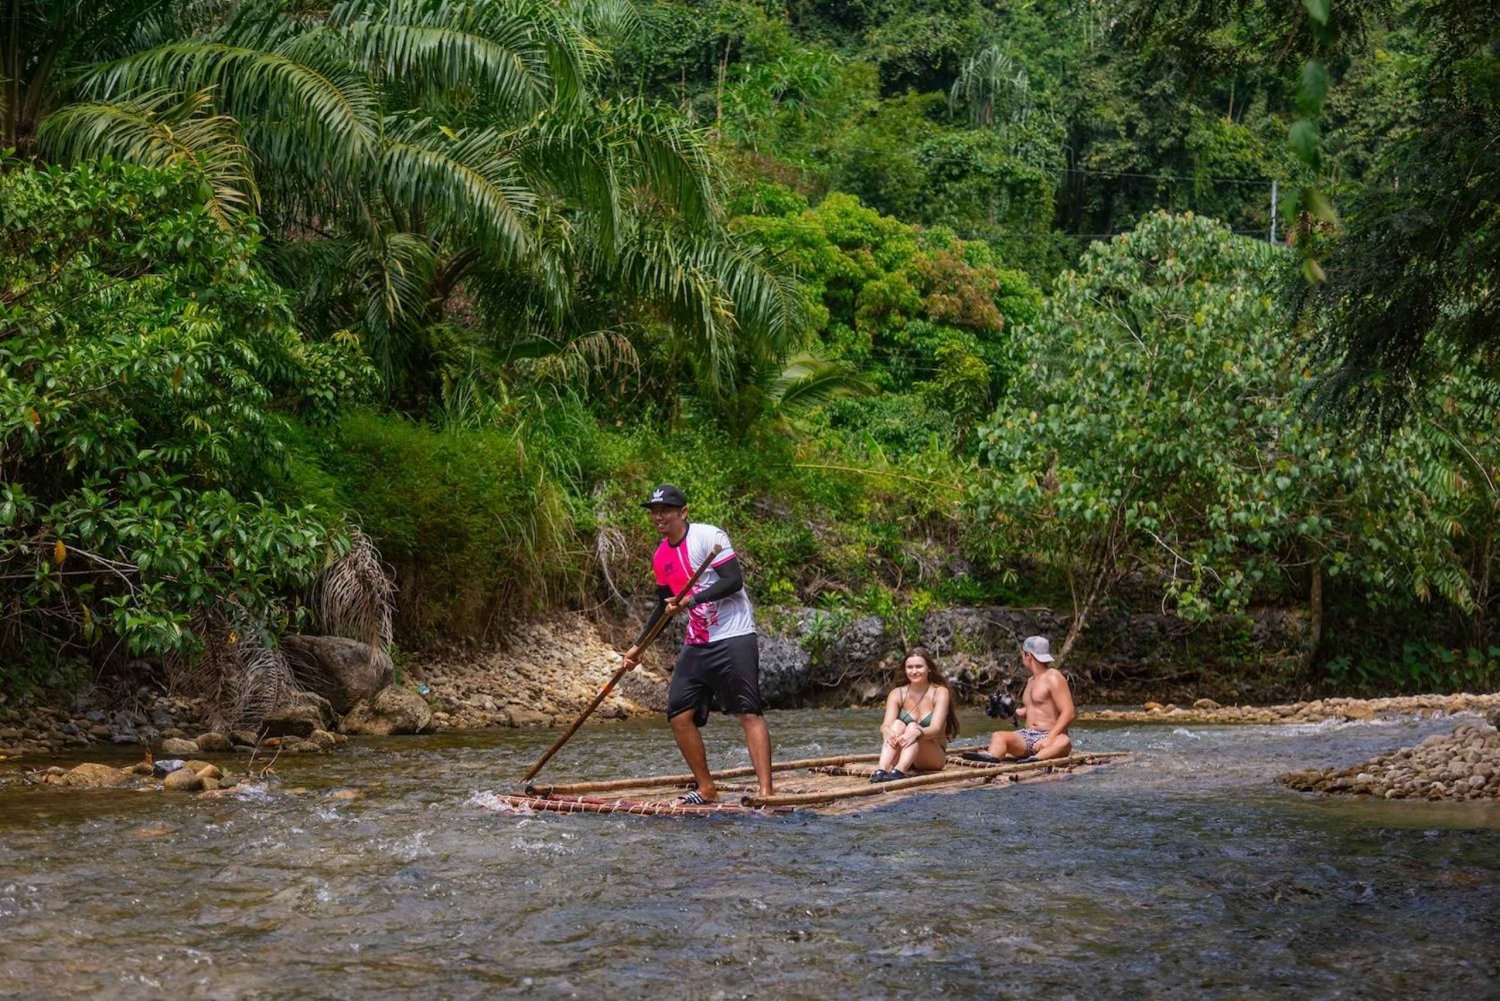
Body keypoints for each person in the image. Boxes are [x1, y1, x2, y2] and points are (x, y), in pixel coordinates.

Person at [621, 484, 773, 803]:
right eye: (654, 511)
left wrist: (692, 600)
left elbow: (733, 581)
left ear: (683, 512)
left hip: (733, 634)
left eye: (665, 511)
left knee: (748, 712)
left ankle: (766, 792)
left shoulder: (708, 536)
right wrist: (639, 646)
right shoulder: (661, 556)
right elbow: (665, 606)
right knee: (678, 713)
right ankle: (706, 787)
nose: (658, 517)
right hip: (699, 639)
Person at [965, 635, 1074, 763]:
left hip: (1050, 736)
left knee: (1064, 741)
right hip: (1028, 736)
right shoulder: (1030, 681)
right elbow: (1031, 710)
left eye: (1023, 654)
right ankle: (992, 757)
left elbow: (1069, 713)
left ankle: (1035, 759)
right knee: (999, 736)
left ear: (1028, 655)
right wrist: (1008, 711)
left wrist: (1050, 738)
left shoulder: (1053, 676)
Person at [870, 648, 960, 783]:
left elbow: (935, 728)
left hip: (931, 756)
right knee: (897, 724)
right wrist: (887, 732)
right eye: (910, 667)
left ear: (928, 668)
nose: (914, 671)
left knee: (912, 726)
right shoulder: (897, 693)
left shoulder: (940, 692)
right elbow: (886, 725)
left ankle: (899, 771)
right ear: (905, 670)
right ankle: (882, 769)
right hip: (903, 751)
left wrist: (917, 733)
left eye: (919, 667)